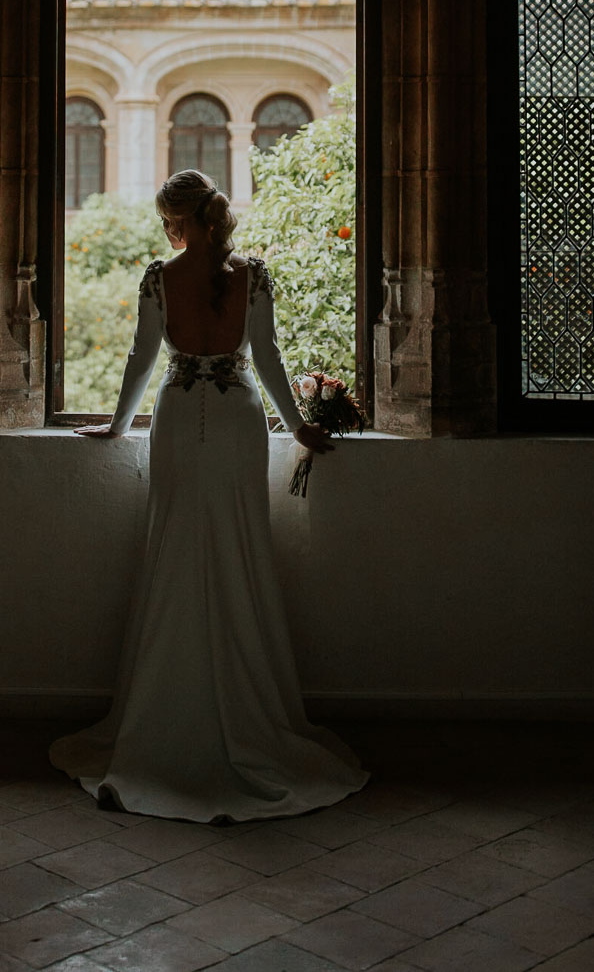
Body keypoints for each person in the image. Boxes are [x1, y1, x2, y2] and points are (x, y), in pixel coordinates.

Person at [50, 169, 368, 822]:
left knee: (173, 548)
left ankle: (164, 715)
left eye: (167, 220)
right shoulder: (250, 273)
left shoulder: (158, 276)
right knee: (239, 547)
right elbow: (269, 355)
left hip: (176, 415)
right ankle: (248, 710)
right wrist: (298, 423)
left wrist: (115, 424)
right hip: (235, 420)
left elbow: (142, 357)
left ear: (175, 220)